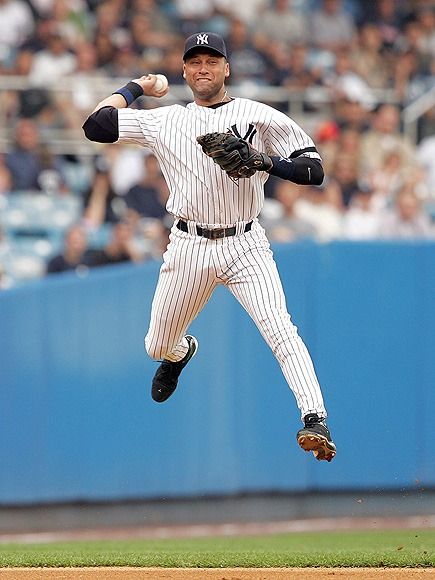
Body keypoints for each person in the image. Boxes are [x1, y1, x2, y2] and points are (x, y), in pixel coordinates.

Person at [82, 32, 336, 462]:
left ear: (227, 69)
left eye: (212, 61)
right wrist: (137, 88)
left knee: (280, 329)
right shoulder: (166, 121)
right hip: (188, 246)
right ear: (184, 70)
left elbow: (315, 171)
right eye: (195, 61)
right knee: (157, 346)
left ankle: (315, 419)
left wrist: (265, 162)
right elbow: (96, 126)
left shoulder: (259, 116)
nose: (203, 68)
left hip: (246, 244)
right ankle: (182, 354)